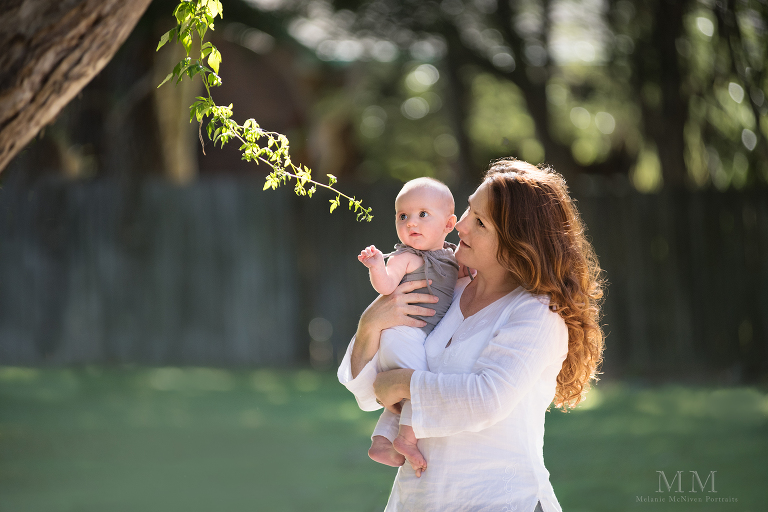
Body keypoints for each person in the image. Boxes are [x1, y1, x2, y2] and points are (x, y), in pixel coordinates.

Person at [338, 159, 605, 512]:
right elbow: (368, 390)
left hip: (499, 501)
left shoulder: (536, 313)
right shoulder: (449, 288)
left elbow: (486, 398)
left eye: (479, 222)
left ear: (516, 241)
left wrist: (404, 382)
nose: (459, 225)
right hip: (419, 501)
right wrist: (370, 323)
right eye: (468, 210)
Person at [357, 177, 459, 475]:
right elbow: (387, 286)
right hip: (404, 336)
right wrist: (377, 267)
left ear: (449, 224)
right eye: (403, 216)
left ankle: (380, 441)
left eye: (422, 214)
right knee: (419, 384)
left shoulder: (451, 257)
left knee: (402, 393)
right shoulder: (406, 256)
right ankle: (407, 439)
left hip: (415, 337)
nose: (411, 222)